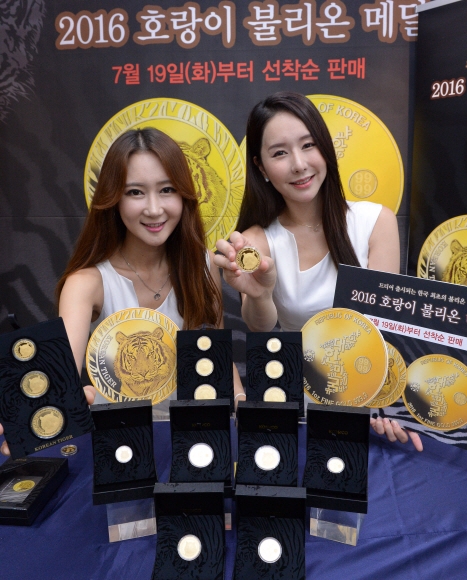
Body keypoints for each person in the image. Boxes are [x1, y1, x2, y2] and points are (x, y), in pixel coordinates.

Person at [0, 127, 244, 456]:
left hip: (195, 444)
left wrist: (241, 402)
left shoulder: (203, 264)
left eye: (167, 190)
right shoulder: (86, 282)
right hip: (118, 448)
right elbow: (61, 377)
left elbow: (217, 353)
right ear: (113, 199)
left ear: (184, 195)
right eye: (135, 192)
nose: (154, 209)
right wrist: (29, 420)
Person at [214, 91, 423, 451]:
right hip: (301, 412)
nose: (299, 164)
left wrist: (390, 405)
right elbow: (260, 326)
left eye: (308, 145)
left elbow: (385, 330)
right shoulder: (257, 240)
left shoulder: (376, 222)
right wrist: (260, 294)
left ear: (326, 148)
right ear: (261, 168)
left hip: (371, 402)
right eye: (280, 153)